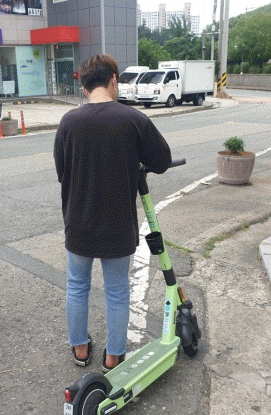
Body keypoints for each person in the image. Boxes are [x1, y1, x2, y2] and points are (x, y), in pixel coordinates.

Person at [54, 54, 172, 372]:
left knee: (77, 286)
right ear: (113, 80)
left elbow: (62, 171)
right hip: (118, 225)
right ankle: (113, 356)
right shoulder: (132, 119)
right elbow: (161, 161)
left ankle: (80, 349)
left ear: (84, 88)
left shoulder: (68, 122)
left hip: (78, 221)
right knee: (117, 291)